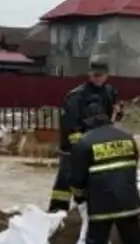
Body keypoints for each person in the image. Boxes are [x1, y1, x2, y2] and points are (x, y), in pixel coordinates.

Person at [69, 102, 140, 244]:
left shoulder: (84, 144)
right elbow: (132, 169)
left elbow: (77, 180)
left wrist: (79, 197)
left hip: (101, 205)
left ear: (87, 121)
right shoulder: (128, 138)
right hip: (129, 202)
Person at [48, 59, 123, 213]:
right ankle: (57, 212)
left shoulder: (110, 92)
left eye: (100, 75)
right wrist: (79, 145)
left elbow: (113, 117)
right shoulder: (77, 96)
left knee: (89, 181)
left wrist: (119, 112)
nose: (97, 78)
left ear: (106, 75)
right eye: (95, 75)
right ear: (89, 74)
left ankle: (83, 211)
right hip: (73, 149)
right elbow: (70, 124)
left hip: (96, 146)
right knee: (66, 180)